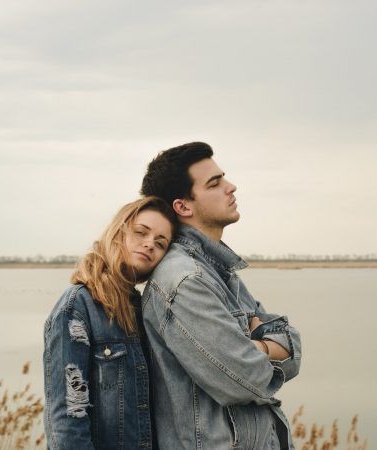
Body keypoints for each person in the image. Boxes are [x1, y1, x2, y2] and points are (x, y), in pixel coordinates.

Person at [140, 142, 302, 449]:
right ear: (183, 206)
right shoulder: (185, 281)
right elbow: (247, 379)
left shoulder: (221, 273)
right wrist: (266, 345)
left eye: (223, 178)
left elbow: (292, 347)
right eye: (215, 183)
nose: (231, 187)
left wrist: (253, 347)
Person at [43, 196, 177, 450]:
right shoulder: (77, 306)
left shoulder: (144, 308)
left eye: (160, 244)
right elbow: (67, 419)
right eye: (141, 233)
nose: (149, 245)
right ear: (119, 232)